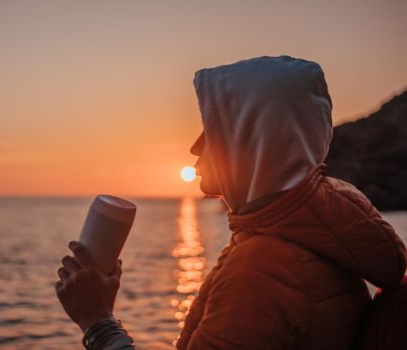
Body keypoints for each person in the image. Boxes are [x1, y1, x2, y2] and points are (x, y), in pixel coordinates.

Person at [55, 56, 407, 350]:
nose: (195, 146)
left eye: (212, 127)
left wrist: (98, 321)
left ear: (251, 139)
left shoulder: (263, 266)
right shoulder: (317, 234)